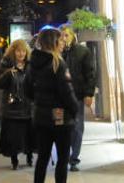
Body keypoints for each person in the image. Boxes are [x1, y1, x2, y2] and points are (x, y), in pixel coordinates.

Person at [26, 28, 80, 183]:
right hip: (60, 118)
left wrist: (40, 102)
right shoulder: (58, 64)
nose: (63, 43)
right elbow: (67, 93)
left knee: (42, 157)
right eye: (61, 40)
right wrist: (75, 109)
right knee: (63, 158)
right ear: (54, 43)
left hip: (41, 117)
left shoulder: (33, 63)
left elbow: (27, 90)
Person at [60, 26, 96, 172]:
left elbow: (90, 74)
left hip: (77, 95)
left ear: (73, 36)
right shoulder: (57, 53)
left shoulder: (83, 52)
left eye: (66, 35)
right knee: (61, 126)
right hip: (60, 98)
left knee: (76, 126)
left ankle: (74, 158)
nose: (64, 38)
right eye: (61, 35)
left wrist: (89, 93)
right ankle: (64, 155)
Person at [0, 39, 33, 170]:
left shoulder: (31, 65)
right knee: (13, 136)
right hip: (11, 108)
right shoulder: (6, 63)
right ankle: (14, 160)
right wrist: (7, 74)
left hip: (28, 107)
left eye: (23, 51)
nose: (21, 54)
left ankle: (29, 156)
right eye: (18, 51)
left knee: (29, 134)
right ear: (13, 52)